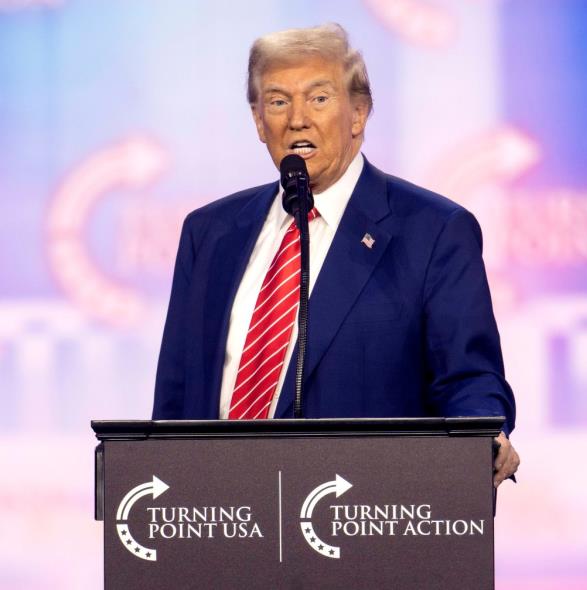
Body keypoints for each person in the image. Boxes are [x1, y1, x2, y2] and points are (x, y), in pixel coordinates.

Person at [152, 23, 519, 486]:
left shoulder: (434, 232)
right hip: (219, 515)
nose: (297, 118)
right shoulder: (209, 234)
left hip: (362, 516)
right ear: (258, 121)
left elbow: (469, 379)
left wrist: (484, 434)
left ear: (359, 113)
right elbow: (174, 400)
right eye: (278, 100)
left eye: (319, 98)